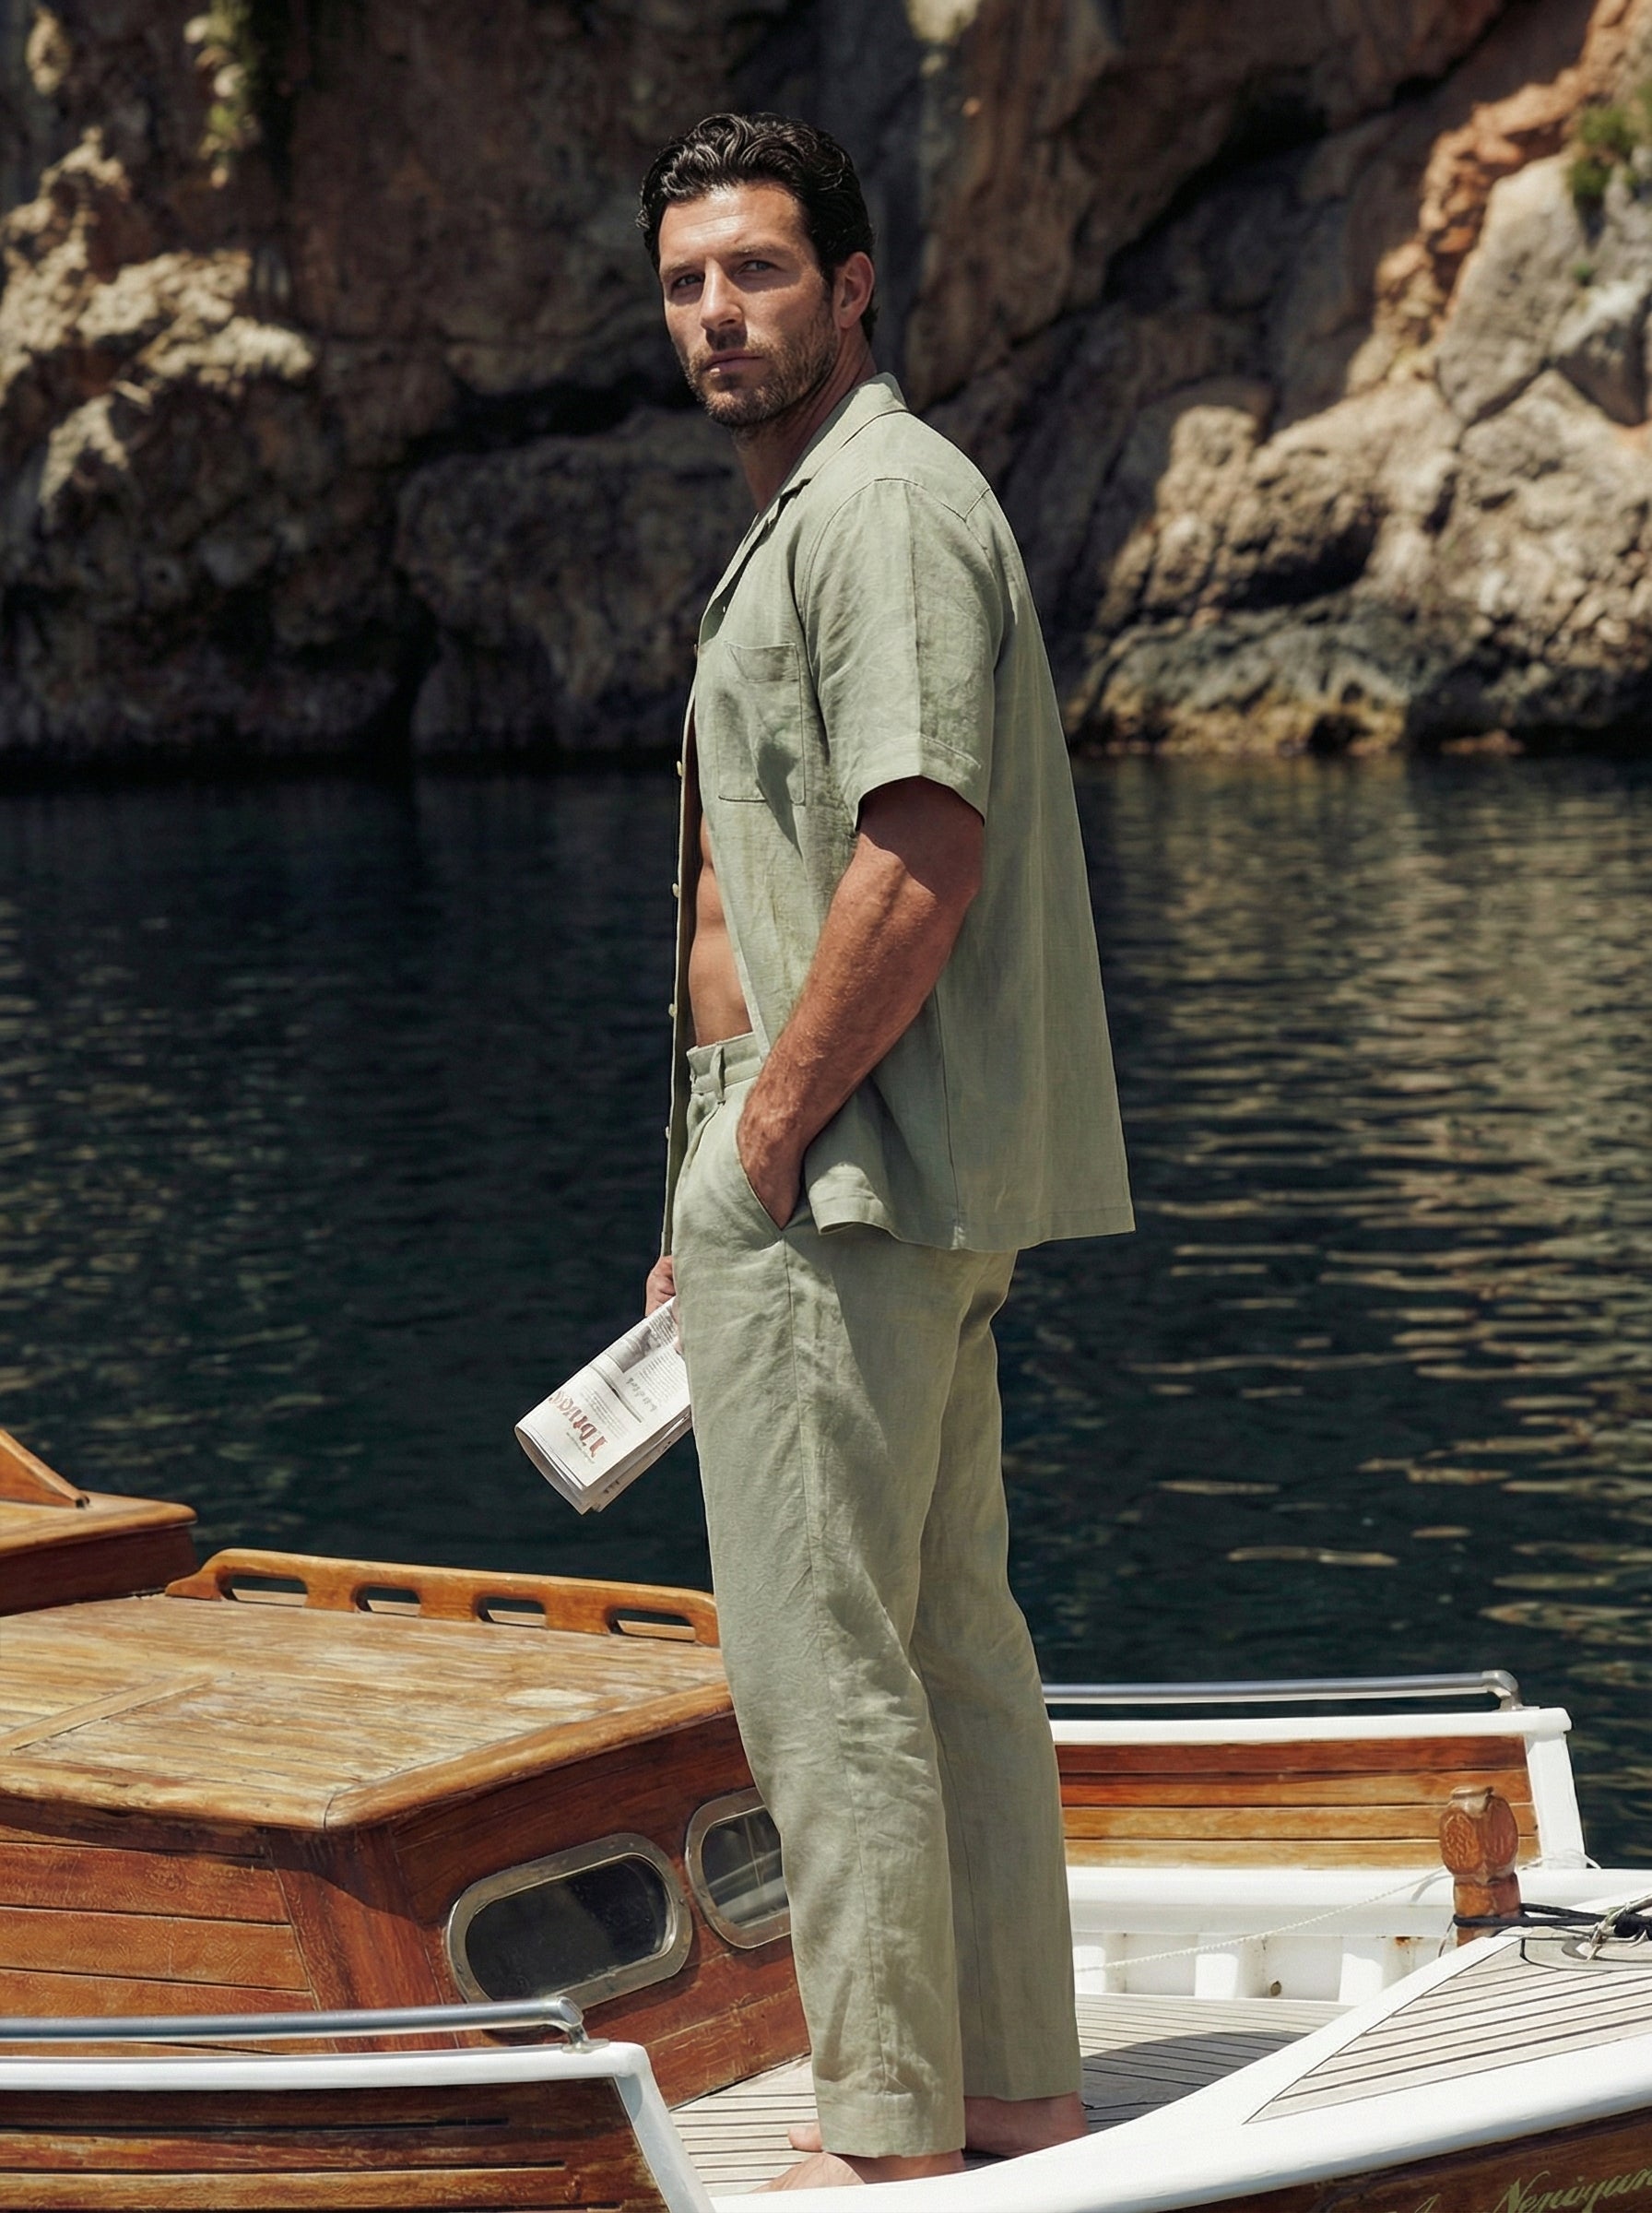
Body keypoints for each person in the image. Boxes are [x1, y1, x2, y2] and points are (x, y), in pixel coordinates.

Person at [637, 112, 1132, 2191]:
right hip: (849, 1181)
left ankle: (883, 2148)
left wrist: (752, 1153)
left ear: (851, 289)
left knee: (820, 1677)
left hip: (836, 1176)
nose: (714, 315)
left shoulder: (882, 508)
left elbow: (917, 849)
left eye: (755, 271)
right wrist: (713, 1188)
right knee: (942, 1650)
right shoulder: (839, 506)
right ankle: (1006, 2105)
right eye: (681, 283)